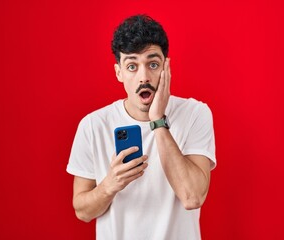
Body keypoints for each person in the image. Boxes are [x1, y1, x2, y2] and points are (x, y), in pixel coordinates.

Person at [66, 14, 216, 240]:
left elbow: (192, 197)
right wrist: (109, 185)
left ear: (166, 66)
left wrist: (158, 121)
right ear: (119, 72)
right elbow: (82, 211)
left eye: (153, 64)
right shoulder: (93, 126)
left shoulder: (195, 114)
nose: (143, 77)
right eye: (132, 66)